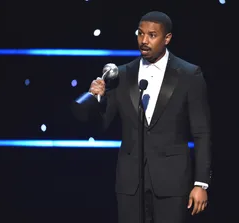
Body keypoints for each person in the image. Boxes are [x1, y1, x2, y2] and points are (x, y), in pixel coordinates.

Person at [88, 11, 211, 223]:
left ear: (167, 38)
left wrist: (201, 183)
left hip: (172, 183)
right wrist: (97, 100)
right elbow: (102, 125)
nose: (144, 41)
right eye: (140, 34)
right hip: (130, 184)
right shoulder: (122, 74)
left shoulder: (189, 75)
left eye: (152, 35)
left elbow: (202, 132)